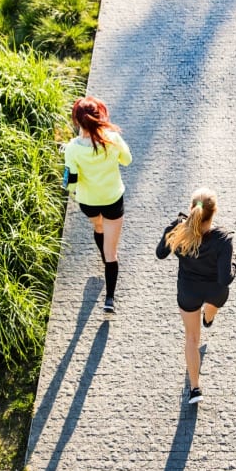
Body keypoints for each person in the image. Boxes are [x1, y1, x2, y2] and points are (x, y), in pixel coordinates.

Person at [156, 188, 236, 404]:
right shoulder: (223, 238)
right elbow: (225, 279)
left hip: (189, 291)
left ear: (192, 209)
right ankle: (208, 319)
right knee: (212, 308)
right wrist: (235, 262)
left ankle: (195, 389)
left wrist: (173, 225)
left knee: (192, 338)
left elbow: (160, 253)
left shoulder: (179, 230)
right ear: (214, 212)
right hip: (214, 291)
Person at [63, 96, 132, 313]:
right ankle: (109, 299)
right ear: (100, 116)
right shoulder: (112, 139)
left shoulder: (72, 149)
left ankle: (102, 253)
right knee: (112, 254)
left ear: (77, 122)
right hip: (112, 199)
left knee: (98, 227)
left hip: (88, 202)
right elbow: (127, 160)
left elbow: (70, 183)